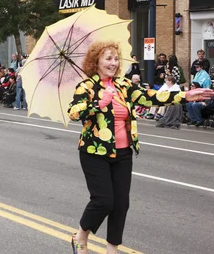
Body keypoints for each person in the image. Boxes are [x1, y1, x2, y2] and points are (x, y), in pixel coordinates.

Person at [68, 41, 213, 254]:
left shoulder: (124, 86)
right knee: (104, 201)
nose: (113, 63)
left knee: (121, 204)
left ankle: (112, 249)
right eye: (108, 58)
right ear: (96, 61)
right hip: (94, 152)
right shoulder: (87, 86)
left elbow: (150, 97)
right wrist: (98, 103)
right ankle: (81, 235)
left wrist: (183, 96)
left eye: (116, 59)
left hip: (123, 152)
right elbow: (74, 112)